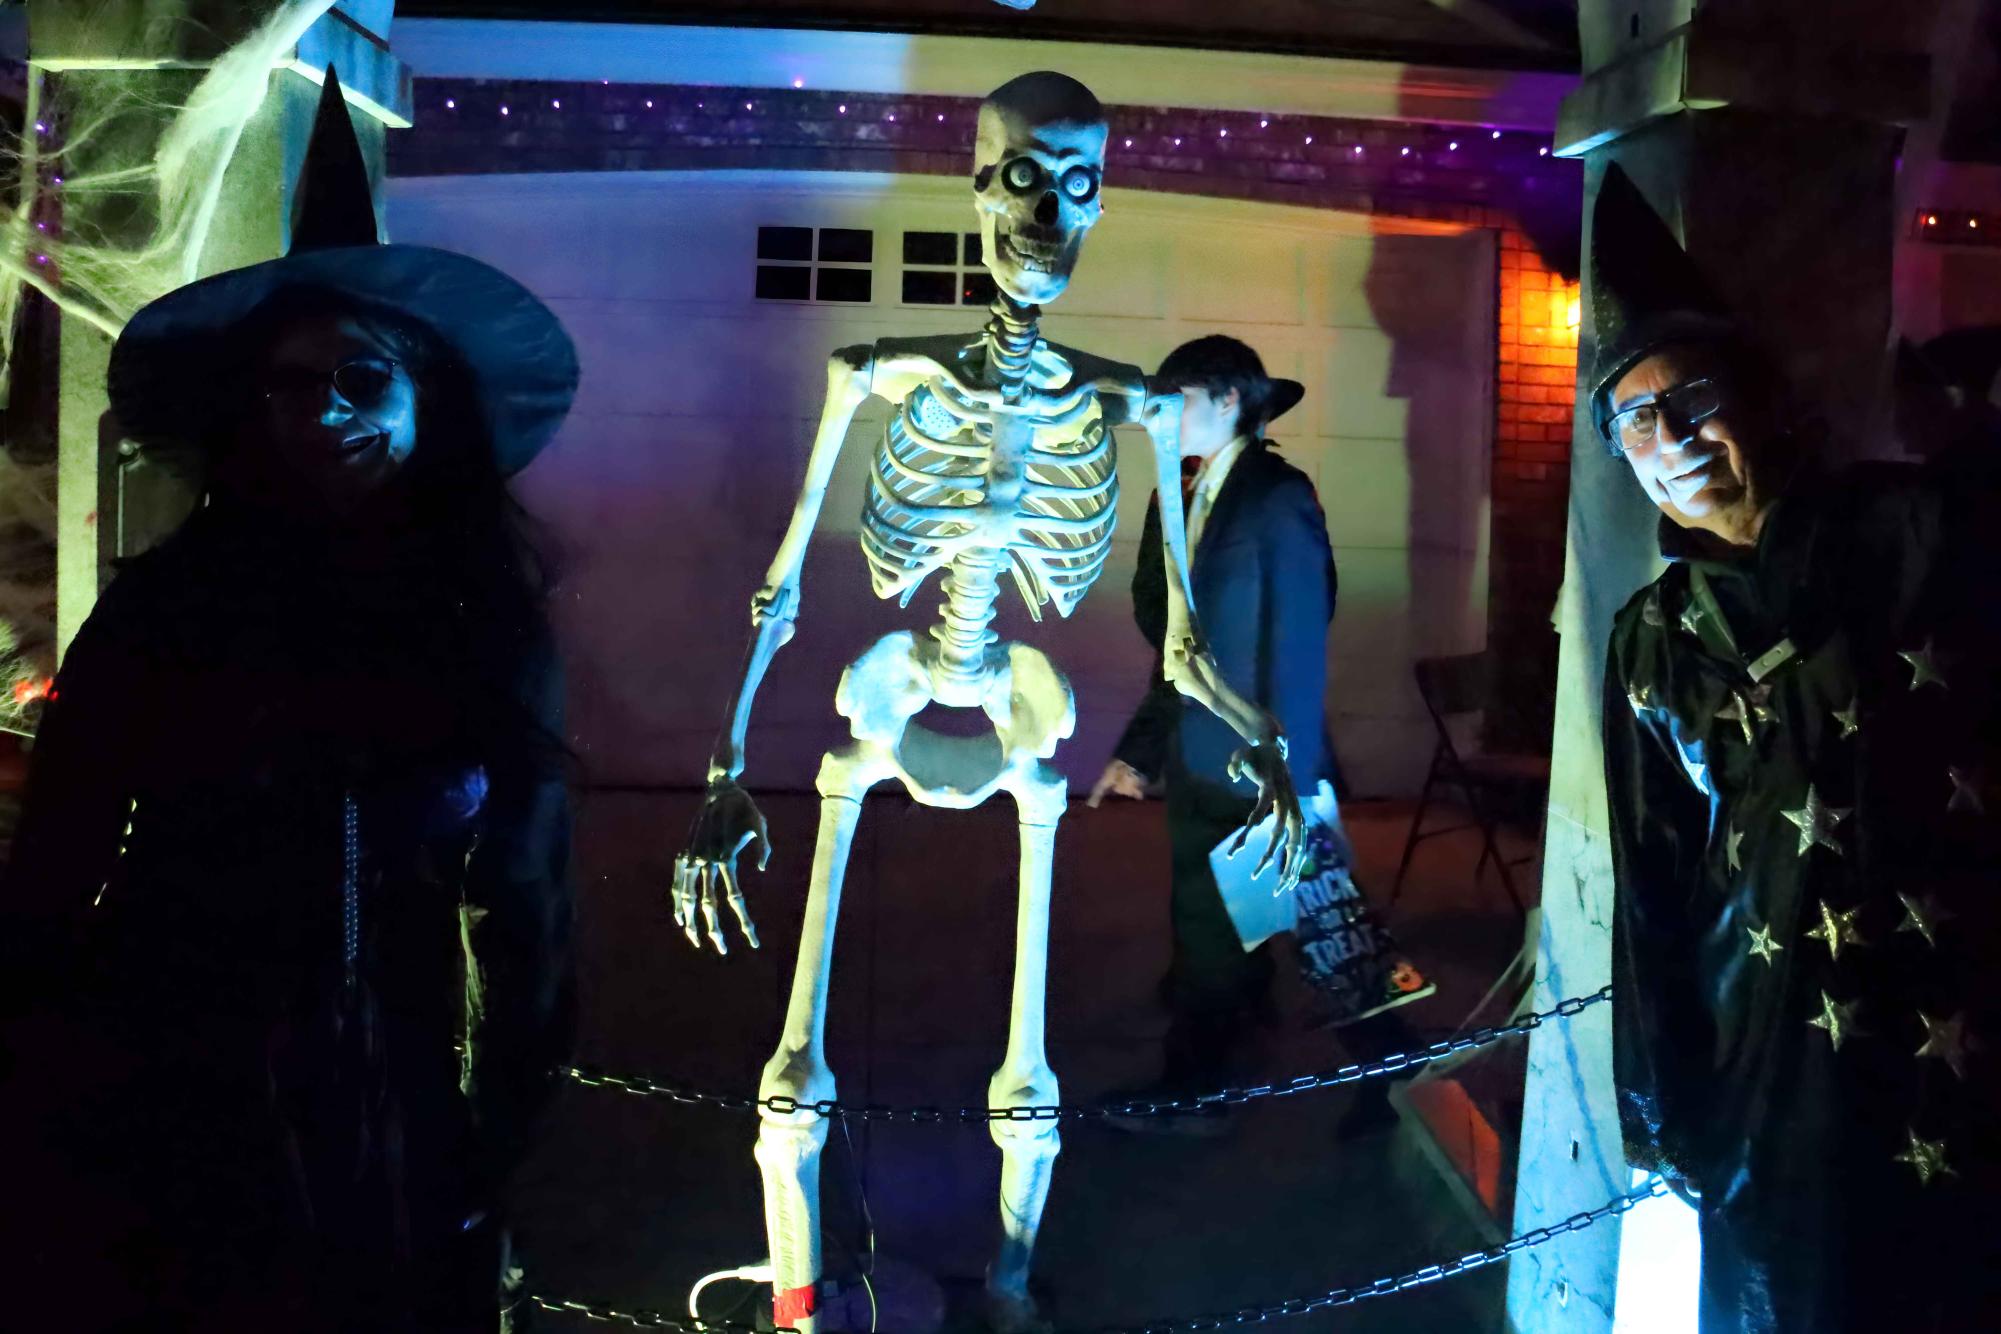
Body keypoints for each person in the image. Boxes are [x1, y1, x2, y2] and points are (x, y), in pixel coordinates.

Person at [0, 72, 579, 1332]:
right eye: (289, 382)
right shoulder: (169, 611)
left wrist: (506, 1117)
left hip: (397, 1101)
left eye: (363, 375)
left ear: (428, 402)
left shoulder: (488, 628)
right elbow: (59, 853)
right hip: (169, 1082)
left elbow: (526, 892)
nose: (324, 406)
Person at [1594, 165, 2001, 1332]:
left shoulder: (1917, 530)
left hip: (1953, 1025)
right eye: (1636, 418)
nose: (1673, 435)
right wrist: (1658, 1102)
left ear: (1763, 397)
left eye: (1695, 396)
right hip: (1773, 1058)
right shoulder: (1653, 643)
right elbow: (1652, 882)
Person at [1093, 335, 1427, 1130]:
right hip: (1196, 756)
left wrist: (1293, 767)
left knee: (1307, 924)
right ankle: (1366, 1057)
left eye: (1179, 401)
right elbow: (1170, 634)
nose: (1163, 417)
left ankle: (1204, 1090)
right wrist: (1138, 753)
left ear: (1229, 400)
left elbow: (1302, 634)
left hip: (1257, 764)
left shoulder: (1278, 495)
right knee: (1251, 927)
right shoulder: (1179, 496)